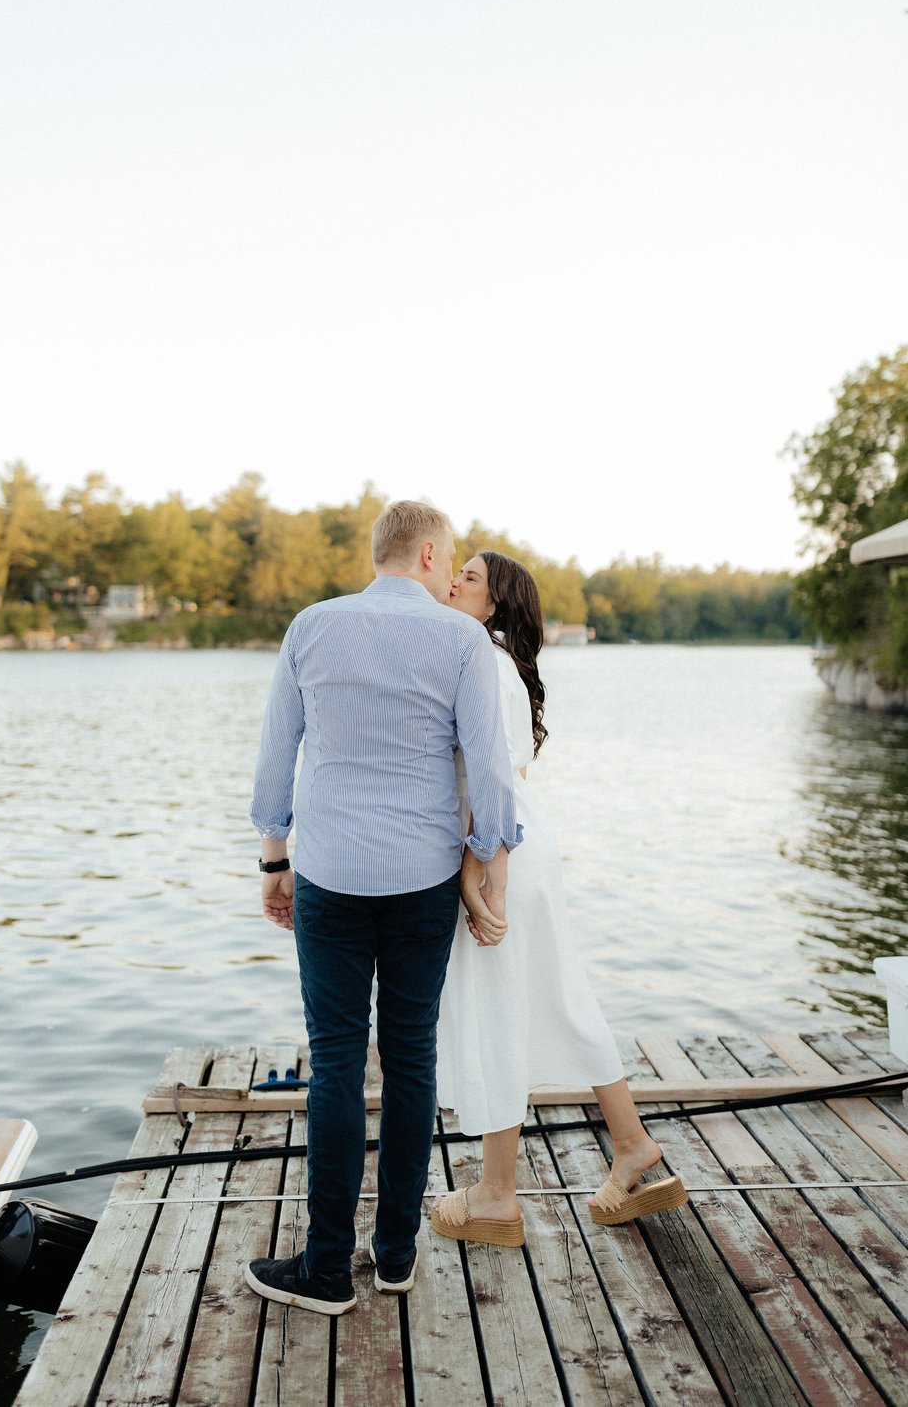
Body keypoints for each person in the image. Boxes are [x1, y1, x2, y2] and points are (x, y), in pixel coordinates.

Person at [245, 502, 523, 1314]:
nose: (450, 580)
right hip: (422, 877)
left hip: (328, 872)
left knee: (334, 1063)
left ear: (382, 554)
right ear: (431, 553)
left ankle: (327, 1269)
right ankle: (396, 1254)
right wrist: (487, 872)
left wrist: (274, 857)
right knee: (410, 1061)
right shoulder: (462, 640)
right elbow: (491, 768)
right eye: (449, 566)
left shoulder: (312, 627)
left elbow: (276, 751)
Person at [432, 552, 687, 1242]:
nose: (454, 582)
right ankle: (632, 1145)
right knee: (560, 996)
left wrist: (482, 866)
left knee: (496, 1009)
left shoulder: (478, 661)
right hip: (521, 840)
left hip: (499, 847)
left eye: (471, 578)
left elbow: (488, 782)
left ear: (496, 604)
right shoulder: (496, 661)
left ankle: (495, 1195)